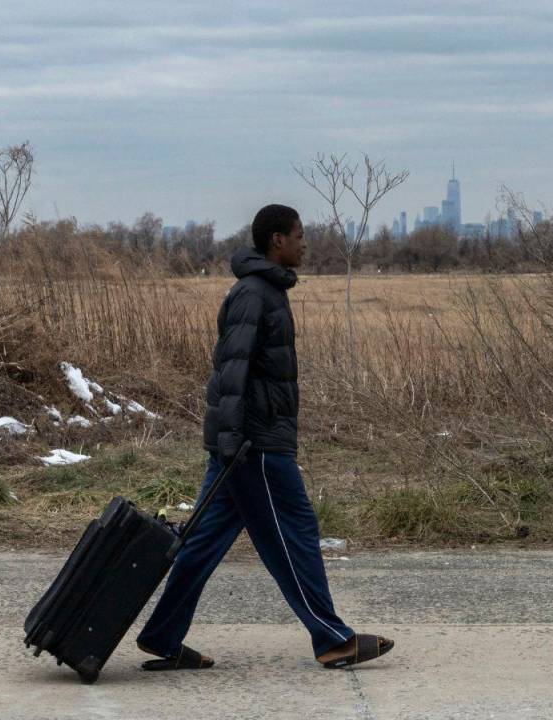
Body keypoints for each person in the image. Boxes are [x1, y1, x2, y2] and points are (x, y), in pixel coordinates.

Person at [135, 204, 394, 670]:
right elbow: (231, 372)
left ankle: (162, 636)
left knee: (201, 542)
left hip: (241, 444)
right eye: (298, 235)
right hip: (254, 445)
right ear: (276, 240)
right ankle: (332, 638)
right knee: (294, 534)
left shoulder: (265, 290)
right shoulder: (256, 294)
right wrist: (236, 443)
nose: (304, 243)